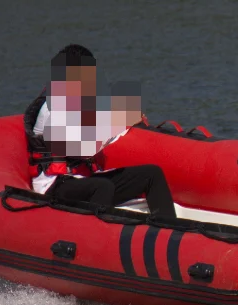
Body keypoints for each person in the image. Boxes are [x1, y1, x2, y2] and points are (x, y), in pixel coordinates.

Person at [22, 44, 177, 219]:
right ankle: (95, 238)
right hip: (54, 186)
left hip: (81, 178)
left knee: (151, 174)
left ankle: (168, 229)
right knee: (103, 187)